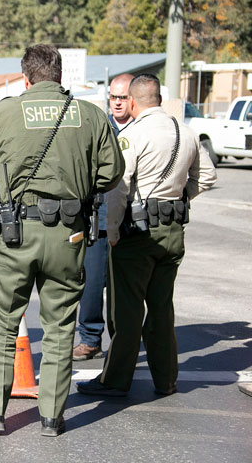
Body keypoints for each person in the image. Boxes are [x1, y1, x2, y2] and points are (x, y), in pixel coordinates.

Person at [0, 44, 124, 436]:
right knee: (60, 325)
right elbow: (111, 173)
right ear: (60, 75)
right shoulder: (89, 114)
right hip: (69, 234)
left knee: (3, 322)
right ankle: (52, 416)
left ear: (26, 77)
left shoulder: (5, 111)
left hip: (16, 233)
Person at [77, 74, 216, 397]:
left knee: (126, 311)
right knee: (162, 308)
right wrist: (179, 199)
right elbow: (207, 176)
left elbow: (118, 188)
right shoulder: (187, 132)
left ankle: (114, 381)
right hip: (173, 231)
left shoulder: (133, 134)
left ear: (135, 102)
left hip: (136, 233)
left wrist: (111, 231)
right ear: (161, 100)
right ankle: (165, 380)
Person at [74, 73, 135, 361]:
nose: (118, 103)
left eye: (123, 97)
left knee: (127, 288)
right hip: (98, 219)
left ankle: (127, 342)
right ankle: (90, 337)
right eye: (113, 97)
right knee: (92, 282)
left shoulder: (142, 129)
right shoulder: (98, 126)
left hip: (133, 220)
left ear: (133, 98)